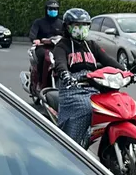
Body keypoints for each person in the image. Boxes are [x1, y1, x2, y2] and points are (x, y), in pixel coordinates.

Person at [50, 8, 123, 145]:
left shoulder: (91, 45)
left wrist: (124, 70)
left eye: (85, 25)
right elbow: (60, 63)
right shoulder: (62, 45)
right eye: (77, 25)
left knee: (111, 106)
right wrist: (65, 74)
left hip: (93, 85)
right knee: (87, 107)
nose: (81, 28)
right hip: (72, 88)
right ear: (67, 27)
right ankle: (73, 144)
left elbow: (107, 60)